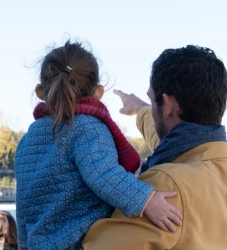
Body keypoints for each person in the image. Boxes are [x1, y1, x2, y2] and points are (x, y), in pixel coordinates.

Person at [82, 45, 227, 249]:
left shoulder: (166, 185)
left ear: (168, 105)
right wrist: (140, 109)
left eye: (152, 100)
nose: (152, 109)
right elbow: (173, 145)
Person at [15, 41, 182, 250]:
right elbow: (103, 173)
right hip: (79, 241)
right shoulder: (88, 127)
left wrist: (23, 242)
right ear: (98, 91)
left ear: (40, 91)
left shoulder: (27, 139)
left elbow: (23, 200)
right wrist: (147, 200)